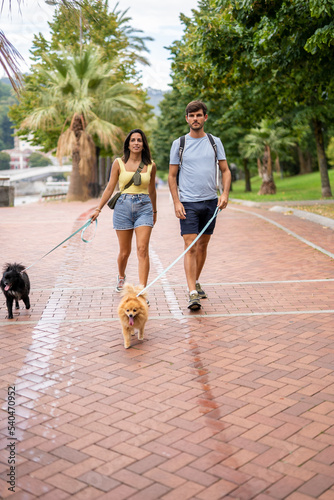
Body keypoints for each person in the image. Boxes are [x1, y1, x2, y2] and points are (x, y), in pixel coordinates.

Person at [168, 100, 231, 311]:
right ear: (186, 119)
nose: (195, 119)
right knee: (190, 245)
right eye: (191, 115)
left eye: (199, 115)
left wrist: (225, 194)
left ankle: (195, 281)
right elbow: (172, 175)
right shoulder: (179, 143)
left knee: (203, 245)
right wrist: (176, 201)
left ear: (205, 117)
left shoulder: (215, 142)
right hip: (188, 203)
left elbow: (225, 170)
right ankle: (192, 293)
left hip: (211, 202)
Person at [91, 129, 157, 293]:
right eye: (133, 140)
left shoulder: (151, 165)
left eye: (139, 140)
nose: (136, 143)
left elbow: (152, 191)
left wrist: (154, 212)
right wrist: (98, 209)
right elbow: (109, 188)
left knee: (142, 249)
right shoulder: (118, 163)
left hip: (144, 207)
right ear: (128, 143)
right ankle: (121, 276)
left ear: (143, 144)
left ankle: (142, 289)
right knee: (125, 252)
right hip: (122, 208)